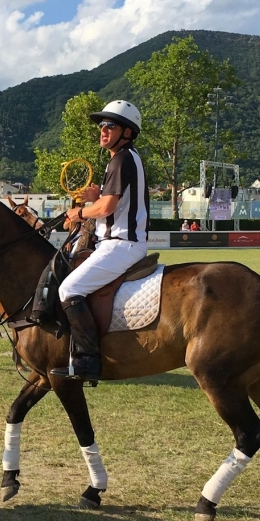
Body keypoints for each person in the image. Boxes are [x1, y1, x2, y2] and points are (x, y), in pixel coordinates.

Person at [54, 99, 149, 382]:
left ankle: (88, 360)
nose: (103, 130)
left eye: (110, 125)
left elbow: (106, 208)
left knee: (69, 289)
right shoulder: (121, 159)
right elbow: (109, 204)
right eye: (102, 126)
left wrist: (80, 211)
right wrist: (95, 200)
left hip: (122, 244)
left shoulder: (122, 158)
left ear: (127, 132)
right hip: (114, 241)